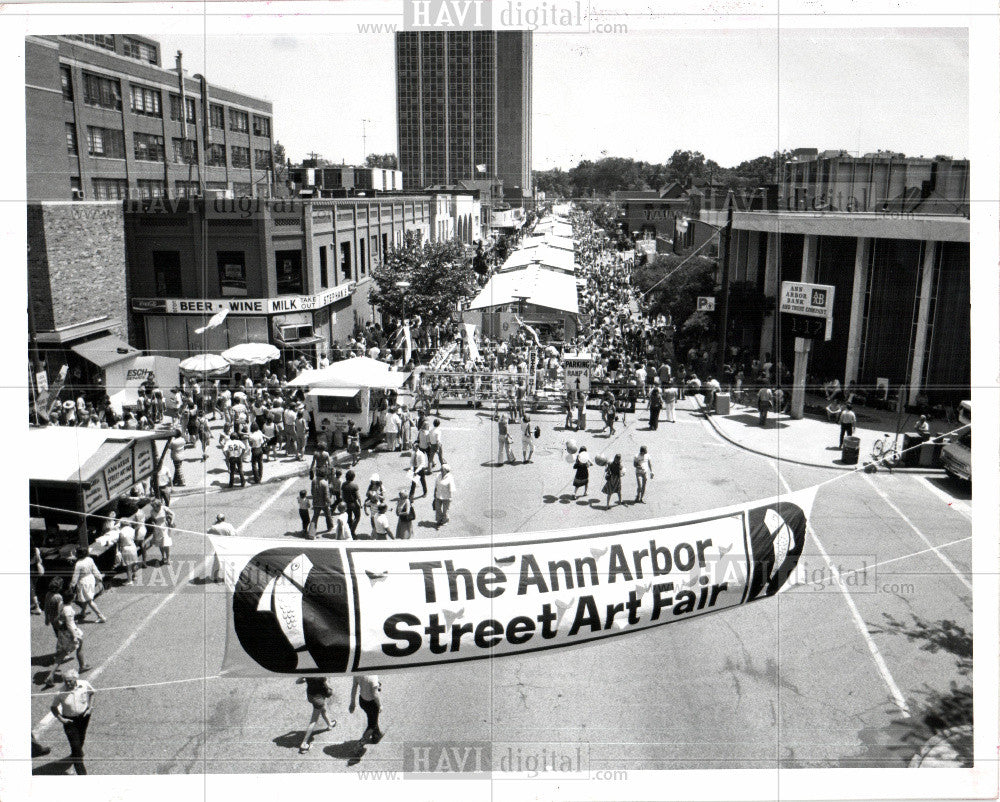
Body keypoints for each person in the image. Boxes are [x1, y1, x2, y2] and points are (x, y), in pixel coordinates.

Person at [50, 668, 95, 774]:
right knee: (75, 746)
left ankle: (77, 752)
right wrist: (61, 719)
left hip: (84, 717)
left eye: (70, 680)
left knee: (81, 737)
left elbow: (92, 693)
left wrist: (90, 708)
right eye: (66, 681)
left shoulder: (84, 684)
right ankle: (82, 773)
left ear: (76, 679)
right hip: (69, 721)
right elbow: (53, 707)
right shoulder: (60, 693)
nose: (68, 683)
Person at [43, 582, 88, 687]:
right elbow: (70, 624)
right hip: (70, 632)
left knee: (62, 654)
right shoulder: (68, 610)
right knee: (79, 645)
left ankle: (51, 675)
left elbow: (59, 619)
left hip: (63, 632)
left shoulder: (62, 606)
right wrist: (75, 636)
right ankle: (82, 666)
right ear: (72, 599)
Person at [297, 676, 336, 753]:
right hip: (318, 699)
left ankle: (330, 724)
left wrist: (306, 679)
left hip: (310, 696)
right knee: (313, 721)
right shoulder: (321, 676)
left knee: (322, 710)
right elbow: (326, 689)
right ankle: (304, 744)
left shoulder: (309, 673)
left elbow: (298, 681)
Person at [70, 547, 106, 623]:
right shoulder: (90, 559)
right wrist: (99, 577)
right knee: (85, 598)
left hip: (83, 582)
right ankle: (83, 612)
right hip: (90, 579)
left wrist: (72, 585)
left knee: (89, 600)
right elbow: (95, 569)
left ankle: (100, 616)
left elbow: (75, 576)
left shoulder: (78, 564)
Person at [349, 674, 384, 745]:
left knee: (371, 718)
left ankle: (376, 736)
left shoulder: (357, 674)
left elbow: (354, 688)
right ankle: (360, 744)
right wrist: (380, 705)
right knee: (372, 725)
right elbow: (375, 694)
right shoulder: (373, 677)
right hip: (372, 703)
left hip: (362, 701)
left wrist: (352, 703)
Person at [207, 513, 237, 582]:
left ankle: (213, 577)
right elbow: (234, 535)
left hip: (219, 547)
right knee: (230, 562)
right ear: (224, 519)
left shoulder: (214, 527)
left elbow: (208, 531)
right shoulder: (229, 525)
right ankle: (231, 577)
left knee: (217, 562)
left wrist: (214, 524)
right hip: (228, 546)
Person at [148, 500, 175, 566]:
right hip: (157, 529)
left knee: (166, 544)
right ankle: (163, 557)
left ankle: (168, 559)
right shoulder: (152, 512)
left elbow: (173, 514)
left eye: (156, 507)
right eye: (153, 507)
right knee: (160, 544)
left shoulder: (164, 508)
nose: (155, 508)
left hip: (165, 528)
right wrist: (153, 524)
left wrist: (171, 522)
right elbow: (153, 520)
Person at [117, 520, 141, 585]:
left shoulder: (121, 532)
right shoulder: (132, 529)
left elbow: (119, 541)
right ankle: (135, 576)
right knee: (134, 562)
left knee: (128, 566)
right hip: (133, 547)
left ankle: (129, 580)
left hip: (126, 548)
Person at [434, 464, 455, 528]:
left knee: (445, 509)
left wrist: (450, 497)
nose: (441, 470)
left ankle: (445, 520)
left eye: (442, 469)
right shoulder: (438, 476)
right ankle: (439, 520)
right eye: (441, 468)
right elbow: (436, 485)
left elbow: (452, 488)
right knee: (437, 508)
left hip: (446, 496)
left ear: (446, 470)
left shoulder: (450, 477)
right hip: (438, 495)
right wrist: (434, 493)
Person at [342, 470, 362, 537]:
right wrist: (360, 503)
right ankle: (352, 531)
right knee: (357, 517)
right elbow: (358, 496)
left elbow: (342, 495)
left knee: (349, 518)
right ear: (353, 477)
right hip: (354, 503)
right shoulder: (354, 485)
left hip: (346, 503)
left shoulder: (343, 484)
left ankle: (349, 531)